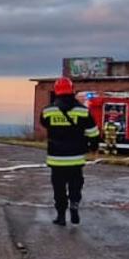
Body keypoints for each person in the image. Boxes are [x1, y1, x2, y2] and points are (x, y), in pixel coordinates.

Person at [41, 77, 99, 226]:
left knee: (58, 188)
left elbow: (44, 123)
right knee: (75, 184)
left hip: (56, 158)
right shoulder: (83, 111)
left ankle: (61, 216)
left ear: (56, 91)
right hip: (75, 158)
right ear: (72, 90)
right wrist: (93, 147)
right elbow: (93, 132)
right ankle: (74, 205)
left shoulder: (48, 111)